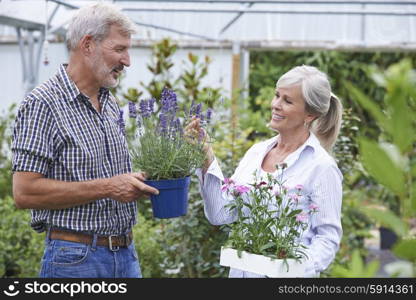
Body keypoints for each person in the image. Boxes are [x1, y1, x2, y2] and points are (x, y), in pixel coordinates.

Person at [11, 2, 159, 278]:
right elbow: (24, 192)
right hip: (75, 260)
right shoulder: (43, 104)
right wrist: (109, 187)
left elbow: (110, 180)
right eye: (119, 49)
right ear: (88, 44)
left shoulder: (109, 102)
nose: (128, 61)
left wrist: (138, 181)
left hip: (126, 254)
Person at [188, 65, 343, 277]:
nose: (276, 105)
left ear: (310, 114)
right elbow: (221, 213)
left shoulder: (321, 167)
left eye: (287, 101)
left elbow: (327, 239)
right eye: (277, 96)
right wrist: (206, 156)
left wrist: (291, 270)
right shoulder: (256, 153)